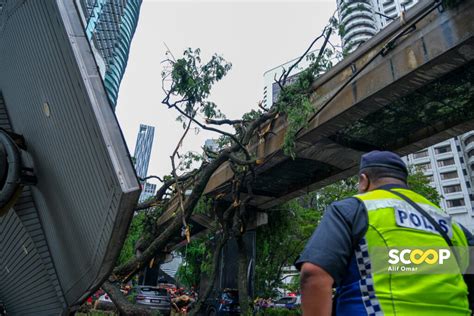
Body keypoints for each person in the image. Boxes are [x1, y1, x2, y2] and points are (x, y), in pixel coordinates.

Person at [295, 150, 474, 315]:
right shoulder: (449, 224)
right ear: (404, 182)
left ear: (364, 181)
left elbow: (313, 274)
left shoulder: (353, 209)